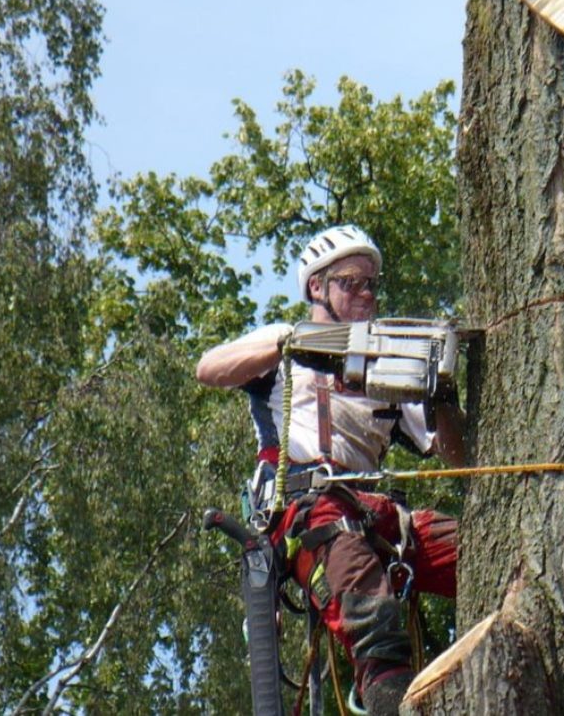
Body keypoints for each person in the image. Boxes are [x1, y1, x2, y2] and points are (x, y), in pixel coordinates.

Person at [196, 224, 465, 714]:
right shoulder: (286, 348)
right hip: (311, 509)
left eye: (371, 284)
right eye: (351, 282)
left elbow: (458, 459)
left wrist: (442, 394)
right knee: (357, 575)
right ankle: (389, 692)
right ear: (317, 287)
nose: (365, 293)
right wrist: (287, 344)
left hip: (379, 512)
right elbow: (209, 368)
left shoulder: (387, 363)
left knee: (479, 548)